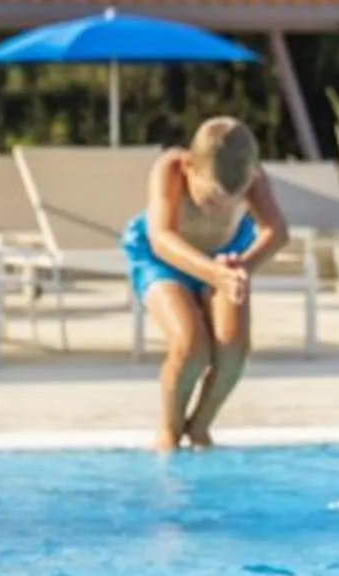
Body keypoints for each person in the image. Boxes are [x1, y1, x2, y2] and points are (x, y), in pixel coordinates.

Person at [122, 117, 293, 452]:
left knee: (233, 351)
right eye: (212, 201)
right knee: (191, 346)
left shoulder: (254, 178)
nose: (222, 209)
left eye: (234, 201)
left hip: (227, 259)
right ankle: (169, 431)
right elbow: (161, 238)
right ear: (189, 167)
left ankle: (200, 425)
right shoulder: (171, 169)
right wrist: (214, 275)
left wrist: (241, 268)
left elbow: (277, 232)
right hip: (165, 259)